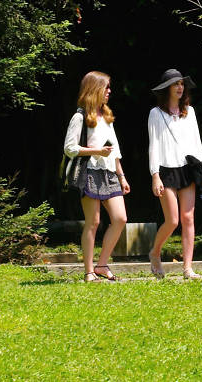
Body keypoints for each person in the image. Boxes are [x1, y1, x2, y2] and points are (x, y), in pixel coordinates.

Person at [63, 71, 130, 282]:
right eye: (106, 87)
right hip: (89, 172)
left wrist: (122, 176)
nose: (109, 91)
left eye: (110, 87)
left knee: (120, 218)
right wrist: (96, 152)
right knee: (93, 222)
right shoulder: (80, 117)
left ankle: (102, 265)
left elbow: (115, 150)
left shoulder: (107, 117)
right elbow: (69, 148)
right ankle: (89, 271)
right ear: (94, 89)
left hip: (110, 173)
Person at [147, 69, 202, 280]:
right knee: (172, 220)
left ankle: (187, 269)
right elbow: (153, 146)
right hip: (166, 170)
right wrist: (155, 175)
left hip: (187, 169)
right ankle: (155, 253)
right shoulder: (156, 113)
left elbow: (196, 141)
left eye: (182, 84)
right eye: (176, 84)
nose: (180, 87)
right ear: (167, 89)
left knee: (188, 218)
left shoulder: (189, 112)